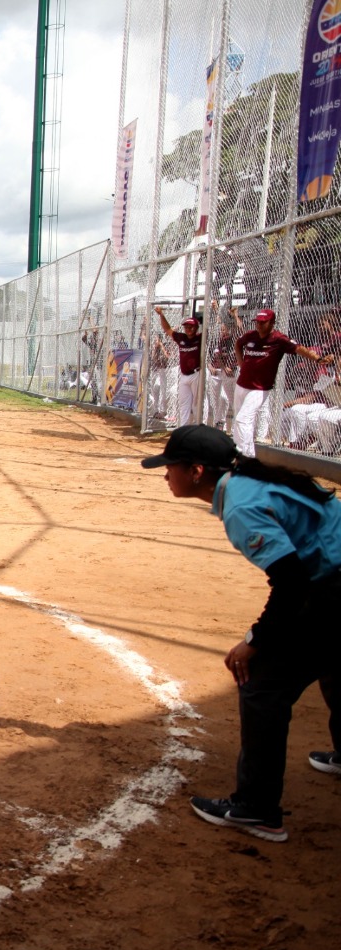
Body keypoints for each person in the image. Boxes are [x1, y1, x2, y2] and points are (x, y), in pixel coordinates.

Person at [142, 425, 341, 841]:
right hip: (330, 581)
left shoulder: (240, 506)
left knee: (263, 688)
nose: (165, 475)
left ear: (197, 471)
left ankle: (256, 809)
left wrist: (254, 641)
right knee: (332, 661)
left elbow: (291, 583)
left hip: (332, 587)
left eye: (171, 467)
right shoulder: (249, 480)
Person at [232, 309, 321, 456]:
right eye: (257, 322)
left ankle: (246, 456)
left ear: (272, 323)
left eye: (263, 323)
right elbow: (238, 344)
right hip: (242, 384)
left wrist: (317, 359)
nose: (259, 326)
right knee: (239, 419)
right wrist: (241, 363)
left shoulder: (279, 339)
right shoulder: (251, 335)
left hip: (259, 388)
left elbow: (300, 349)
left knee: (243, 418)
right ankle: (237, 452)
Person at [155, 307, 202, 425]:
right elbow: (167, 329)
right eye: (186, 327)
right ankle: (184, 428)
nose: (188, 329)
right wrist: (161, 314)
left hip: (197, 374)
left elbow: (211, 330)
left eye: (191, 327)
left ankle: (199, 427)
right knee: (184, 402)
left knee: (197, 403)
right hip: (184, 375)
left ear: (196, 328)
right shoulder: (182, 338)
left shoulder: (200, 338)